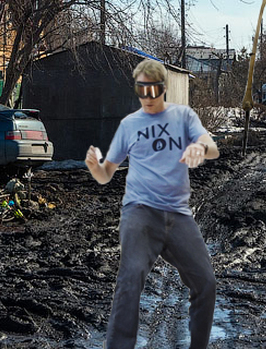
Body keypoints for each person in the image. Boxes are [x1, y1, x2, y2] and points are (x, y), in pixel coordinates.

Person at [85, 58, 220, 349]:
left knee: (206, 283)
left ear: (163, 88)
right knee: (130, 278)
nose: (147, 95)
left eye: (152, 88)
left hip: (178, 216)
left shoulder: (183, 117)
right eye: (141, 88)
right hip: (140, 214)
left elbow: (213, 147)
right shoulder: (130, 124)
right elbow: (108, 171)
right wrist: (96, 168)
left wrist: (199, 147)